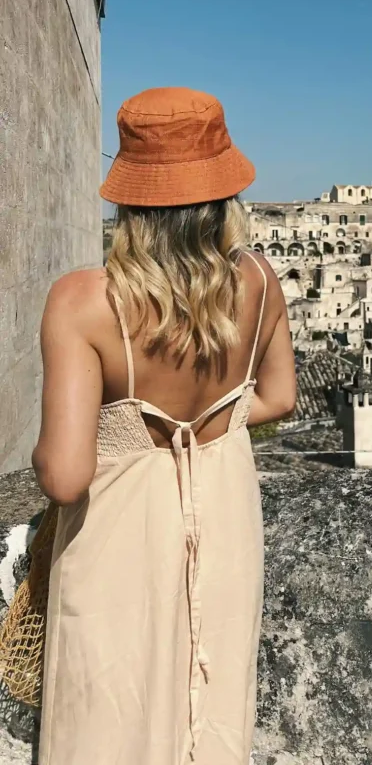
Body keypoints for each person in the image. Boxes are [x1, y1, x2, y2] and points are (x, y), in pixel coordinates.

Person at [32, 87, 296, 765]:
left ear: (131, 195)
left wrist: (118, 436)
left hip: (117, 542)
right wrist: (207, 433)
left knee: (106, 721)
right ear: (221, 190)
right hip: (225, 525)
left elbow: (64, 476)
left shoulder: (83, 301)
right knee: (205, 713)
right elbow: (279, 399)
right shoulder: (262, 280)